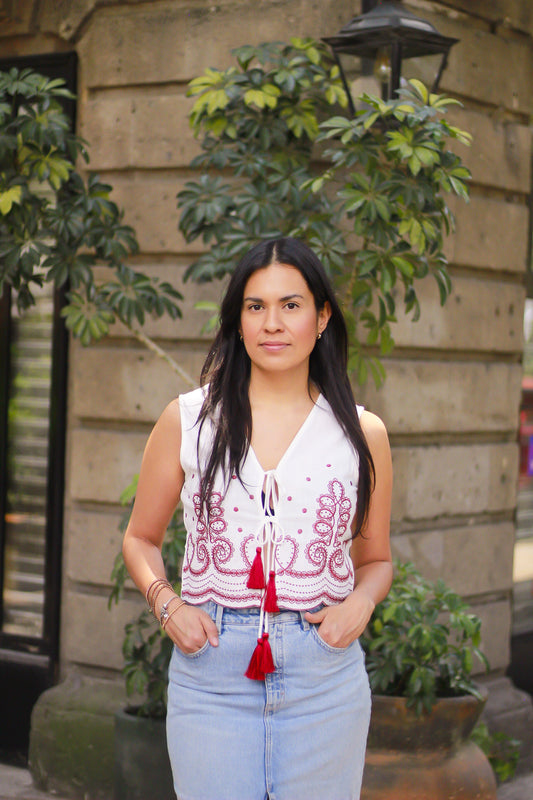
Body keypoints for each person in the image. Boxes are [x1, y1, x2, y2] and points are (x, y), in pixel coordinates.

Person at [122, 237, 393, 800]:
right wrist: (168, 607)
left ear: (322, 317)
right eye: (256, 306)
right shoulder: (189, 420)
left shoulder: (362, 434)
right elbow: (140, 538)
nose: (272, 323)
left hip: (325, 679)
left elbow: (376, 561)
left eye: (291, 305)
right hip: (212, 674)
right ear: (238, 320)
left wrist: (359, 607)